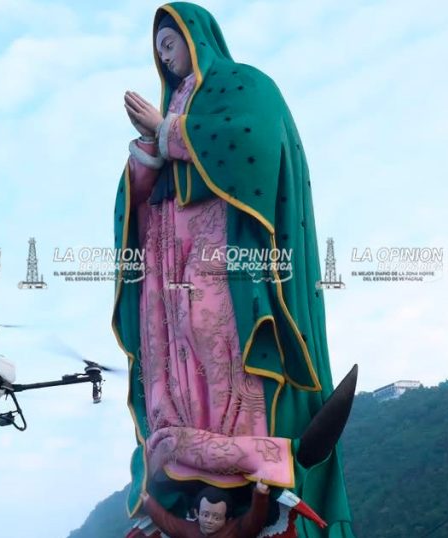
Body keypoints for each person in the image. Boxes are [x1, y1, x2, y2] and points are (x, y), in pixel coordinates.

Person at [111, 3, 356, 536]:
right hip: (167, 260)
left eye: (171, 43)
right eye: (159, 51)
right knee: (171, 353)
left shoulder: (243, 85)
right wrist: (147, 152)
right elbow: (139, 197)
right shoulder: (171, 103)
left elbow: (253, 141)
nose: (165, 57)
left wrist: (170, 131)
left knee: (217, 339)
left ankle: (246, 459)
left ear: (197, 36)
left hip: (220, 250)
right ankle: (186, 460)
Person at [140, 482, 271, 538]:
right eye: (205, 515)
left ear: (228, 519)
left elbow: (254, 521)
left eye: (217, 517)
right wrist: (148, 502)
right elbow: (168, 522)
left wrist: (260, 494)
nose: (209, 521)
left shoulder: (234, 530)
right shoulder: (189, 530)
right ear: (197, 513)